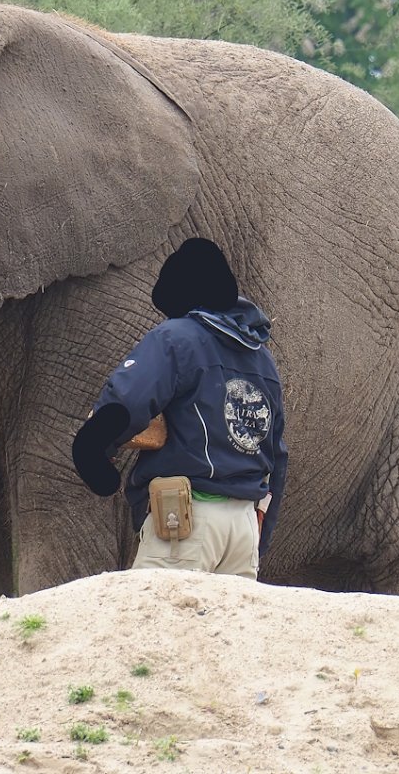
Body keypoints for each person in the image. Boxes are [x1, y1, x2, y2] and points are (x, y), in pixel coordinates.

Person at [72, 237, 287, 578]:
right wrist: (262, 532)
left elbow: (127, 404)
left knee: (155, 629)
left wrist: (91, 450)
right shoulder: (264, 361)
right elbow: (276, 455)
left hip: (187, 523)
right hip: (245, 529)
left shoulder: (175, 338)